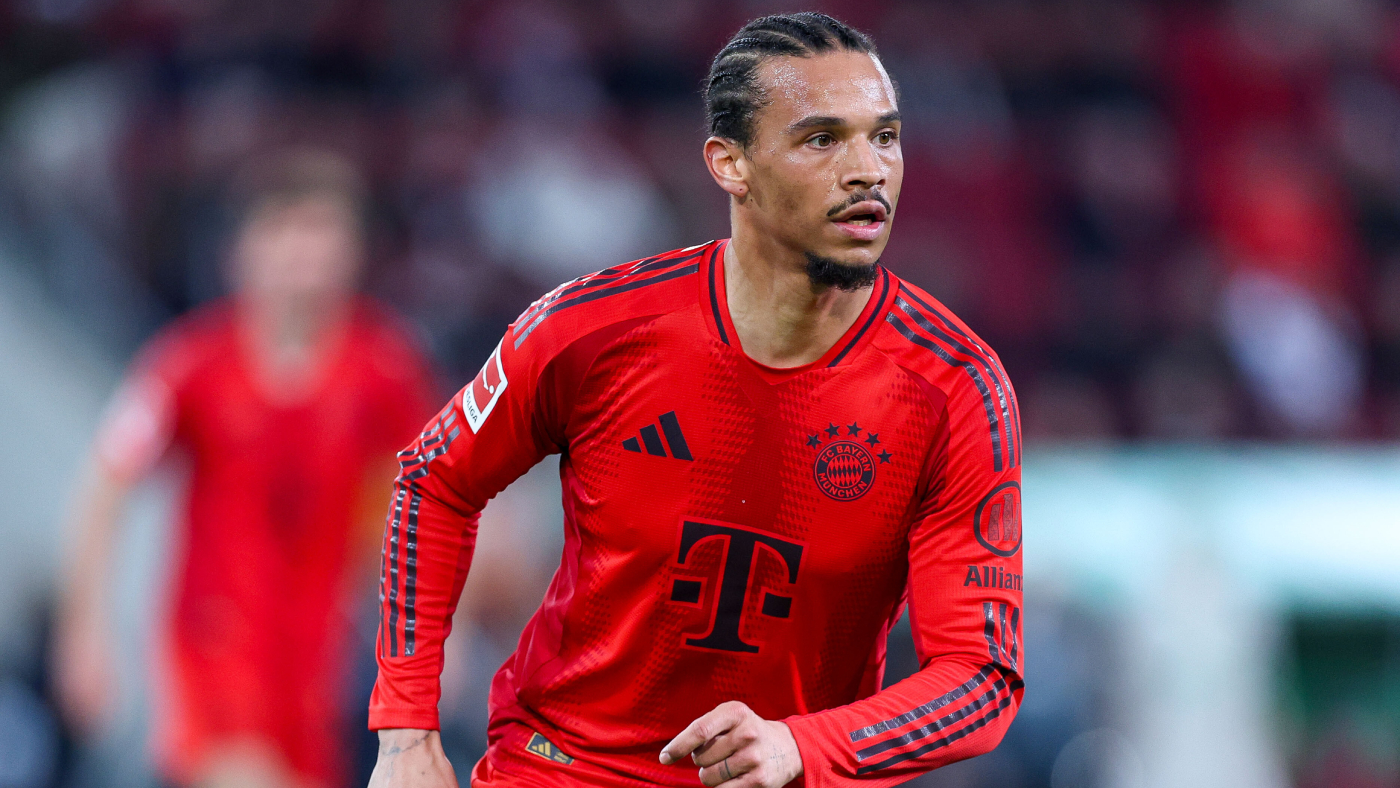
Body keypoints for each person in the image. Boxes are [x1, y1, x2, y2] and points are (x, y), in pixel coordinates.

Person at [369, 13, 1023, 788]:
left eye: (884, 137)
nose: (867, 170)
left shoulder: (954, 390)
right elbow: (434, 479)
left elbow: (980, 677)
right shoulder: (593, 329)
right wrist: (405, 731)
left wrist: (802, 747)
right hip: (563, 768)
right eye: (822, 139)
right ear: (730, 164)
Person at [55, 149, 437, 788]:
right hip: (214, 649)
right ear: (242, 251)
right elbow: (106, 482)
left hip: (319, 665)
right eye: (284, 230)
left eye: (320, 232)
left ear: (353, 251)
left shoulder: (385, 370)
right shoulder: (190, 363)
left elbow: (444, 492)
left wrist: (444, 631)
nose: (302, 254)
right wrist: (83, 632)